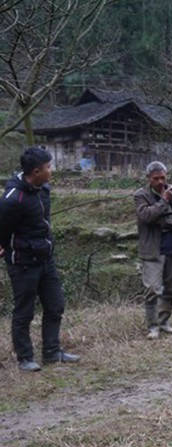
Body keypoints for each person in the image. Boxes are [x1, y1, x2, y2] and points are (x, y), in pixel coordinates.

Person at [0, 147, 80, 371]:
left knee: (55, 305)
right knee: (24, 311)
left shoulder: (43, 189)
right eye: (48, 167)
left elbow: (43, 223)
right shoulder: (12, 200)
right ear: (36, 171)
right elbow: (2, 232)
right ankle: (25, 358)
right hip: (23, 263)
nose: (51, 170)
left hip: (45, 259)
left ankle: (52, 353)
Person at [134, 161, 172, 339]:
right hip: (152, 249)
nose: (160, 181)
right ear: (149, 179)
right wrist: (164, 202)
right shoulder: (141, 195)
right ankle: (153, 326)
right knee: (152, 289)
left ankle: (164, 322)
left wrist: (163, 222)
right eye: (155, 178)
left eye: (162, 177)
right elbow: (146, 216)